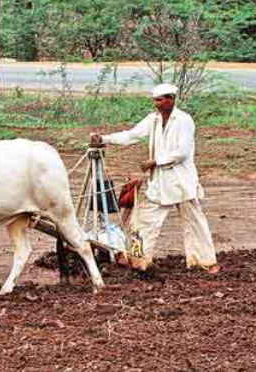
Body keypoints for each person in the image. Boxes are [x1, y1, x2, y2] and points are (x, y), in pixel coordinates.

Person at [90, 83, 219, 274]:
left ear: (171, 99)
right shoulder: (153, 120)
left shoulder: (184, 120)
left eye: (159, 100)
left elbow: (182, 152)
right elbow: (132, 135)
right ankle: (138, 260)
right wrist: (105, 139)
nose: (156, 104)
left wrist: (155, 162)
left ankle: (206, 262)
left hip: (181, 181)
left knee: (194, 223)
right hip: (160, 183)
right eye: (154, 100)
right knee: (143, 220)